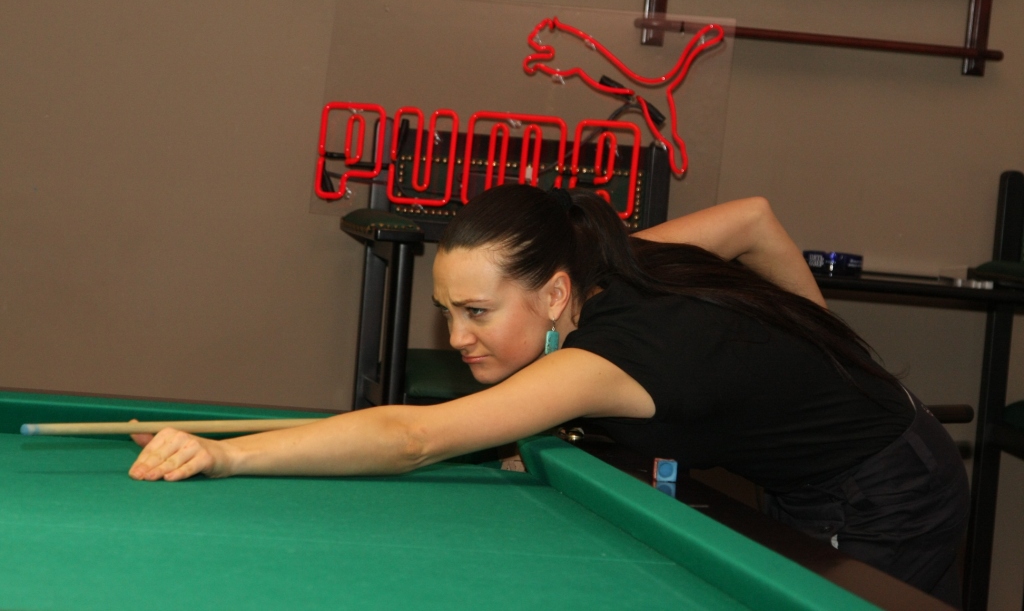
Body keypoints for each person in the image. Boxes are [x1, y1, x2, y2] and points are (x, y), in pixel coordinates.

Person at [129, 185, 968, 607]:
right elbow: (752, 217)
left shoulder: (605, 360)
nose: (457, 336)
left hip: (890, 491)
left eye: (478, 311)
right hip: (844, 465)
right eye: (448, 311)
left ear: (557, 292)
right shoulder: (617, 261)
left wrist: (228, 454)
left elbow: (415, 437)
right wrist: (835, 355)